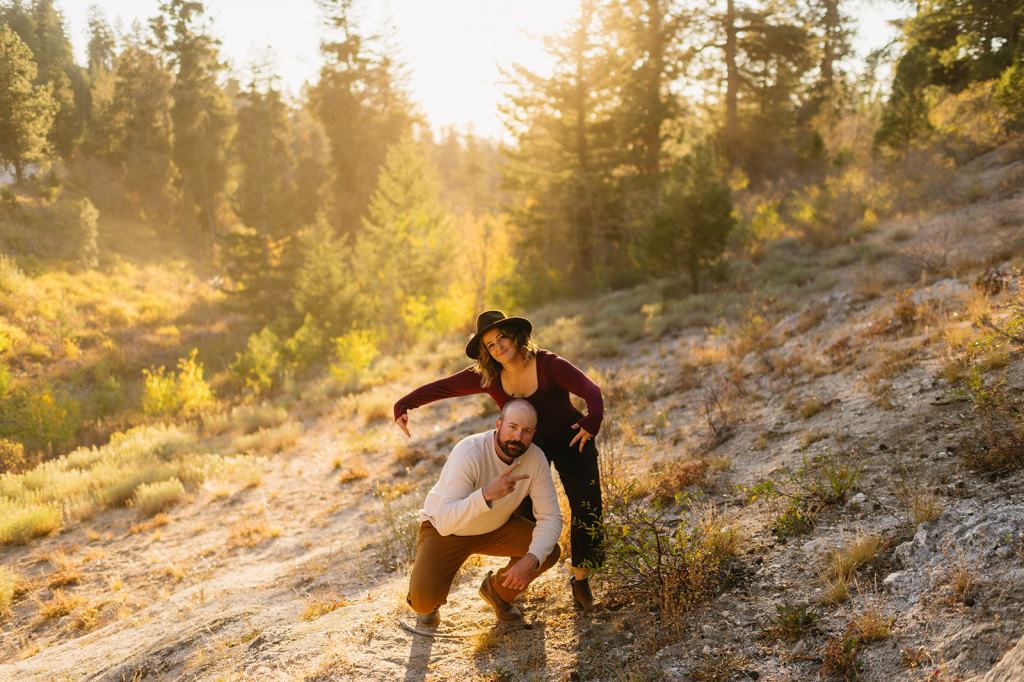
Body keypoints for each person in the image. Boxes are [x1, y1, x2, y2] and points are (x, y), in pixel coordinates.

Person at [395, 310, 604, 610]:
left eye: (502, 337)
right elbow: (443, 387)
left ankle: (581, 581)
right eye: (490, 344)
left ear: (517, 336)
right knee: (526, 516)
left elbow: (590, 390)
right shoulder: (488, 376)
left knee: (587, 507)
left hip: (573, 440)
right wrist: (404, 404)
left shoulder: (548, 364)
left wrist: (591, 422)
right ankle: (511, 582)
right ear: (486, 351)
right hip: (530, 448)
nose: (498, 346)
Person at [406, 399, 562, 625]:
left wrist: (530, 560)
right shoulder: (469, 451)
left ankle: (497, 592)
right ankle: (426, 596)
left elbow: (551, 517)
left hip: (495, 529)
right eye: (512, 427)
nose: (518, 437)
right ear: (498, 425)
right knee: (423, 604)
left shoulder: (535, 459)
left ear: (533, 434)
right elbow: (448, 520)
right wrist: (486, 494)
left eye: (526, 431)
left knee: (546, 553)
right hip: (446, 530)